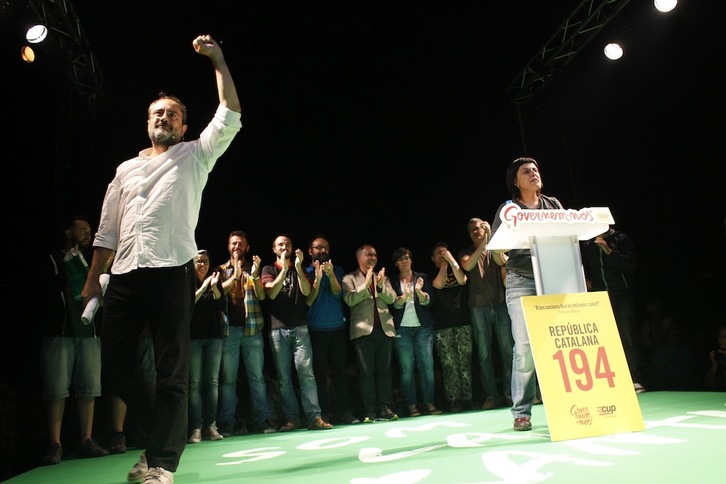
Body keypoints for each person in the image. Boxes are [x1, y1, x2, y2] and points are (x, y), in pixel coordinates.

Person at [81, 35, 241, 484]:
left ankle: (161, 464)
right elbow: (107, 231)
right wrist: (94, 279)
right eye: (157, 113)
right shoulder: (124, 170)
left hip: (172, 273)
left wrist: (218, 60)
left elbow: (230, 115)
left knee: (173, 373)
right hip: (125, 277)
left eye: (172, 113)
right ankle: (161, 438)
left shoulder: (195, 156)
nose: (163, 117)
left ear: (184, 125)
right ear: (146, 122)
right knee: (115, 364)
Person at [490, 156, 564, 432]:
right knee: (524, 348)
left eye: (535, 170)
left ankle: (565, 403)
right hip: (522, 281)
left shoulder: (553, 204)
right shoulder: (509, 209)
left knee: (559, 343)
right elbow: (497, 247)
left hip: (555, 278)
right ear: (515, 181)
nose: (533, 174)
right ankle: (521, 412)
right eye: (526, 171)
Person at [38, 215, 109, 466]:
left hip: (87, 333)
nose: (87, 235)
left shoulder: (92, 263)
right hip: (59, 331)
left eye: (90, 232)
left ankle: (87, 440)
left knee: (89, 388)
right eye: (82, 231)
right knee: (57, 389)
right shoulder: (53, 258)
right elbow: (52, 289)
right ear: (69, 233)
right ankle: (55, 444)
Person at [261, 235, 333, 431]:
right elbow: (271, 293)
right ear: (274, 249)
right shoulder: (268, 269)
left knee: (306, 375)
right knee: (284, 378)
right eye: (280, 245)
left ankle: (314, 417)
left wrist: (298, 268)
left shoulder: (299, 269)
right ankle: (292, 419)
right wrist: (284, 269)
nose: (285, 247)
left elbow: (307, 293)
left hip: (300, 327)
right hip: (278, 330)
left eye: (288, 244)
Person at [216, 230, 276, 436]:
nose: (236, 247)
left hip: (252, 329)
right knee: (228, 380)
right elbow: (217, 295)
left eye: (240, 244)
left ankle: (262, 420)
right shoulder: (220, 270)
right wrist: (235, 274)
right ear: (228, 246)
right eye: (233, 244)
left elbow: (261, 296)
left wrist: (255, 273)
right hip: (228, 330)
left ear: (247, 248)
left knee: (257, 377)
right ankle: (226, 423)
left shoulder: (254, 269)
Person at [580, 227, 645, 393]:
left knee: (626, 336)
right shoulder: (588, 243)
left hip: (621, 294)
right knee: (603, 339)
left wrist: (609, 252)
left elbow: (631, 264)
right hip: (599, 297)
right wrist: (585, 279)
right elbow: (584, 265)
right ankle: (611, 380)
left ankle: (633, 378)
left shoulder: (621, 239)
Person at [459, 217, 514, 410]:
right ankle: (491, 395)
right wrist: (484, 243)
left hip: (499, 304)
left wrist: (491, 242)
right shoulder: (466, 252)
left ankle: (510, 394)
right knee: (484, 354)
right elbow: (467, 266)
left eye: (479, 228)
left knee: (507, 351)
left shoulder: (495, 248)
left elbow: (502, 261)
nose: (476, 231)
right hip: (478, 307)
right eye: (472, 229)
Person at [305, 235, 359, 425]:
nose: (323, 250)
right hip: (316, 328)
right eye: (319, 247)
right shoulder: (306, 272)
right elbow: (308, 299)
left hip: (337, 327)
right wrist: (318, 277)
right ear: (310, 251)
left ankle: (344, 412)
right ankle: (324, 413)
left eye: (326, 247)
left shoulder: (337, 270)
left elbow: (338, 293)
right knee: (319, 374)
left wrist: (329, 275)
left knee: (341, 373)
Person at [342, 244, 399, 423]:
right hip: (362, 331)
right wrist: (366, 285)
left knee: (385, 371)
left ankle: (384, 407)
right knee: (366, 373)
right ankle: (370, 410)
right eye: (369, 255)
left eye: (375, 255)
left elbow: (393, 299)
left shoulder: (383, 278)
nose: (373, 258)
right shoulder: (349, 278)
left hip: (384, 329)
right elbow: (349, 300)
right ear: (359, 257)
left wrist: (380, 286)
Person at [389, 247, 442, 417]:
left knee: (427, 366)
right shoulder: (393, 281)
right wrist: (403, 297)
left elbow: (430, 302)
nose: (404, 261)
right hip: (402, 329)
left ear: (411, 260)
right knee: (406, 369)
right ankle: (412, 406)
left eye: (407, 258)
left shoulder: (422, 277)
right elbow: (393, 306)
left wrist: (419, 292)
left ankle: (429, 404)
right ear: (396, 264)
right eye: (400, 259)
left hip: (423, 328)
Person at [187, 250, 225, 443]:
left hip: (214, 337)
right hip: (192, 338)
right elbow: (187, 305)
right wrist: (203, 287)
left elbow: (222, 305)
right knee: (194, 384)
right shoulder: (187, 281)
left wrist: (214, 287)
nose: (202, 265)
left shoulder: (214, 281)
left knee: (211, 382)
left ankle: (211, 425)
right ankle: (196, 427)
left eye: (206, 262)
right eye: (199, 261)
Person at [430, 242, 473, 413]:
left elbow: (462, 280)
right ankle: (453, 399)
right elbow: (439, 284)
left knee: (465, 362)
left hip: (463, 321)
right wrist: (444, 265)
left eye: (444, 251)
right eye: (438, 253)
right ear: (433, 258)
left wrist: (451, 261)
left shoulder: (457, 269)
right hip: (443, 325)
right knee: (449, 364)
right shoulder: (431, 273)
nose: (442, 254)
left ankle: (468, 398)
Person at [704, 323, 726, 391]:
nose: (721, 340)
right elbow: (708, 385)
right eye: (719, 337)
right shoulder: (717, 355)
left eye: (725, 337)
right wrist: (714, 365)